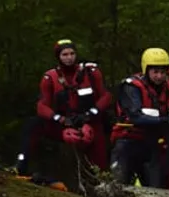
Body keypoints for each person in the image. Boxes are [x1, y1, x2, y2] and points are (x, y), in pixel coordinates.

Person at [16, 39, 112, 176]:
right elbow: (42, 106)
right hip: (64, 123)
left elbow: (106, 96)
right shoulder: (50, 78)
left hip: (90, 120)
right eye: (64, 54)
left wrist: (90, 114)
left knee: (100, 155)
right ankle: (21, 166)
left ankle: (103, 177)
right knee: (32, 125)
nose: (69, 58)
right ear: (58, 57)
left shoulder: (91, 72)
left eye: (72, 53)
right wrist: (59, 119)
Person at [110, 47, 169, 188]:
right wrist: (166, 121)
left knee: (156, 188)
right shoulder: (131, 88)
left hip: (151, 144)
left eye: (163, 72)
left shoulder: (168, 89)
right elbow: (135, 117)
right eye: (155, 72)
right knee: (119, 186)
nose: (159, 76)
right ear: (146, 70)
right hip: (128, 143)